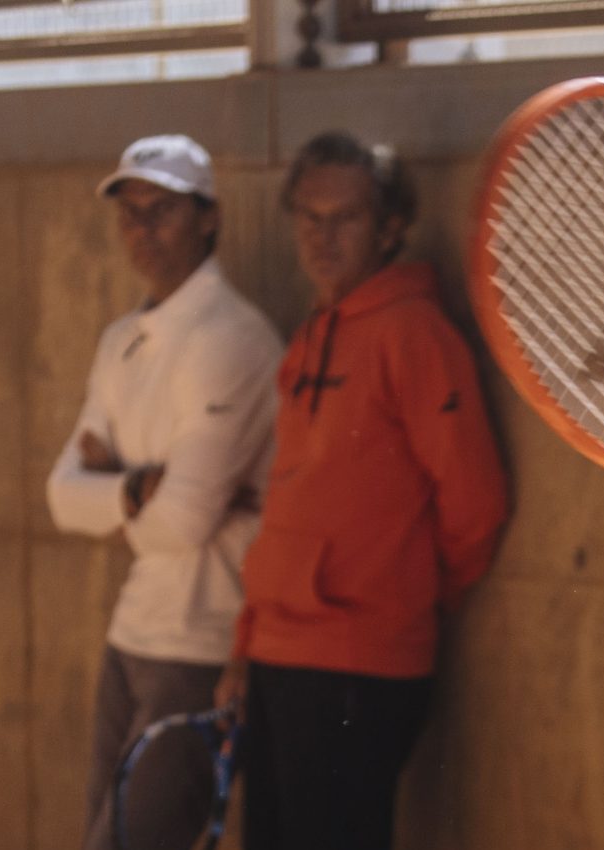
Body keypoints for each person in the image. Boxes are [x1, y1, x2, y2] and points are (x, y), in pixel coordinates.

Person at [216, 131, 511, 850]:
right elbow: (290, 506)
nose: (323, 238)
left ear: (389, 227)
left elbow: (476, 503)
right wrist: (245, 652)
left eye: (345, 218)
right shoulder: (312, 336)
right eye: (309, 218)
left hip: (358, 666)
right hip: (279, 660)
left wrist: (407, 597)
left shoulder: (414, 334)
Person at [46, 134, 283, 850]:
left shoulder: (233, 338)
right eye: (131, 213)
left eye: (163, 210)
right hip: (131, 633)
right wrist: (139, 487)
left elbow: (182, 522)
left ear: (209, 218)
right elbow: (60, 497)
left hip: (202, 645)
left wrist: (116, 486)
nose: (143, 230)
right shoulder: (121, 339)